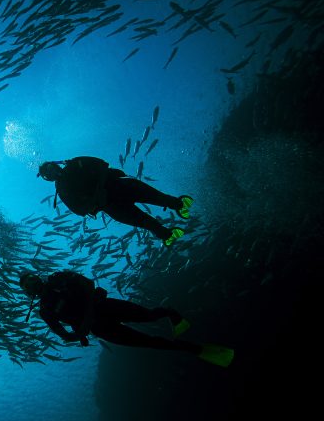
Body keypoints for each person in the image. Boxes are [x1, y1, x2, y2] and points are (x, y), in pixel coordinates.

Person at [19, 270, 234, 367]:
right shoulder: (45, 311)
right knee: (148, 342)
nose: (34, 284)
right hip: (101, 328)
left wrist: (91, 303)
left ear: (37, 276)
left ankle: (171, 313)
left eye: (32, 279)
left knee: (148, 316)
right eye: (29, 285)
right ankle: (197, 349)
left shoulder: (59, 277)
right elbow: (65, 336)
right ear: (28, 292)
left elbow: (88, 283)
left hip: (106, 307)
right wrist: (79, 335)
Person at [37, 157, 193, 246]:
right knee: (147, 223)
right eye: (48, 174)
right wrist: (96, 200)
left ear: (55, 164)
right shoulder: (63, 191)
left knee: (157, 197)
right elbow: (80, 210)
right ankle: (168, 236)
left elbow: (102, 164)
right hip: (112, 207)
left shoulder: (74, 163)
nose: (52, 172)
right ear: (48, 179)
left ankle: (179, 205)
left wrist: (99, 191)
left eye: (51, 168)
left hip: (122, 186)